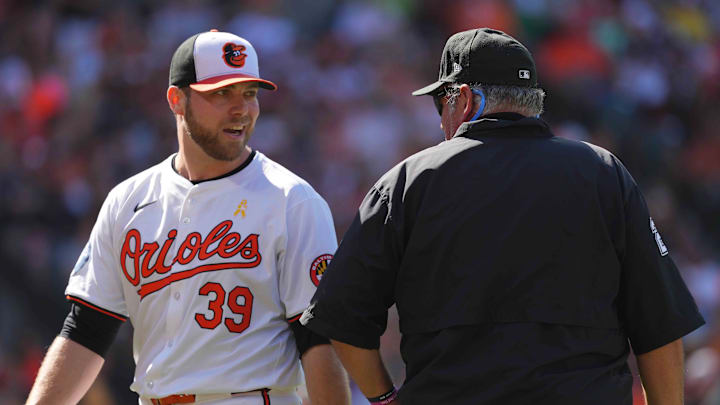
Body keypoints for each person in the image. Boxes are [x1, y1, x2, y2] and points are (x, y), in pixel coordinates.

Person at [301, 28, 705, 405]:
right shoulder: (603, 172)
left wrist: (385, 399)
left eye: (441, 103)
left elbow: (342, 318)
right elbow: (660, 326)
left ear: (465, 99)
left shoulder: (409, 181)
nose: (441, 119)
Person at [26, 30, 350, 405]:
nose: (241, 109)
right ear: (176, 100)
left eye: (249, 94)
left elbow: (319, 342)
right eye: (221, 93)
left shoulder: (292, 201)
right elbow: (87, 331)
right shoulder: (127, 202)